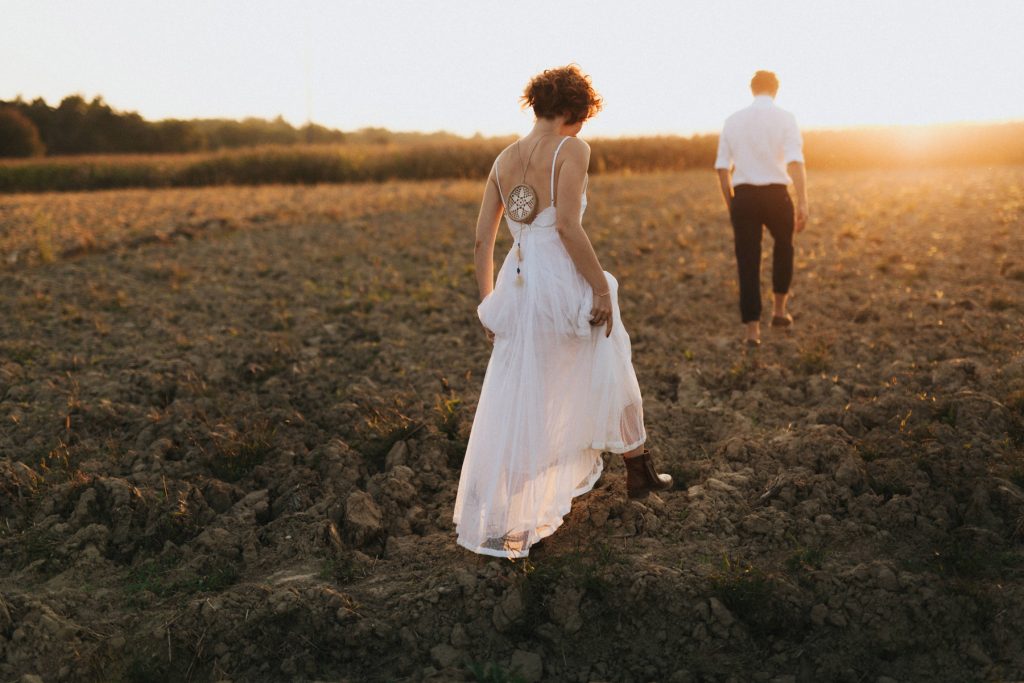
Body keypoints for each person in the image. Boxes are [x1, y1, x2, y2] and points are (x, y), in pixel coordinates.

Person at [452, 65, 672, 559]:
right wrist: (599, 287)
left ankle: (512, 515)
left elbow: (482, 240)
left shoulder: (503, 159)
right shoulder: (572, 149)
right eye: (582, 118)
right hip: (562, 278)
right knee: (612, 364)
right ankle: (638, 471)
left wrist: (490, 303)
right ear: (574, 111)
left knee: (528, 392)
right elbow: (569, 227)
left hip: (520, 283)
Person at [715, 70, 809, 346]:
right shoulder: (786, 118)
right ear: (776, 90)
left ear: (752, 89)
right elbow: (795, 161)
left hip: (744, 196)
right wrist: (802, 200)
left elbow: (722, 168)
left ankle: (752, 332)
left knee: (748, 260)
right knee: (784, 246)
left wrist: (732, 203)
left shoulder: (732, 120)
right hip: (777, 194)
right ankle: (779, 311)